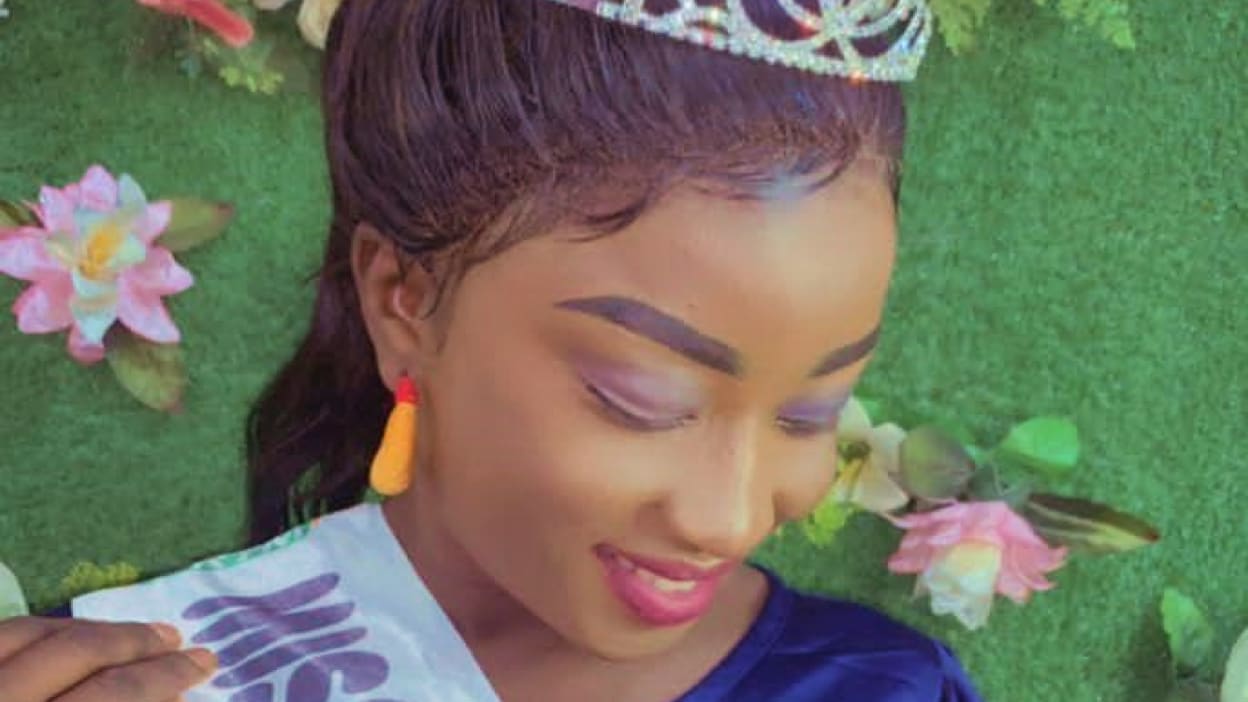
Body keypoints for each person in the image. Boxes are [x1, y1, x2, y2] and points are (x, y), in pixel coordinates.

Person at [0, 0, 986, 700]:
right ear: (405, 303)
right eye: (639, 399)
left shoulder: (882, 689)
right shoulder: (149, 675)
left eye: (809, 412)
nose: (726, 519)